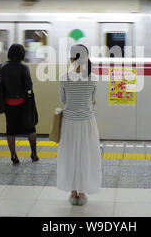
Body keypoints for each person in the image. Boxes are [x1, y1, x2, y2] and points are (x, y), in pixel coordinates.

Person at [57, 44, 102, 206]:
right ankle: (82, 193)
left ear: (71, 59)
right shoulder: (94, 78)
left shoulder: (63, 78)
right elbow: (92, 100)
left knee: (70, 156)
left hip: (69, 124)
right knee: (85, 156)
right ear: (86, 58)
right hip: (87, 123)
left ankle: (73, 192)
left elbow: (63, 101)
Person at [0, 43, 39, 164]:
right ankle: (34, 154)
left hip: (8, 103)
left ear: (9, 53)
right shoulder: (23, 67)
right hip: (23, 102)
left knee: (10, 130)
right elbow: (29, 86)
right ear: (22, 54)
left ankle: (14, 156)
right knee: (30, 128)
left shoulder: (2, 66)